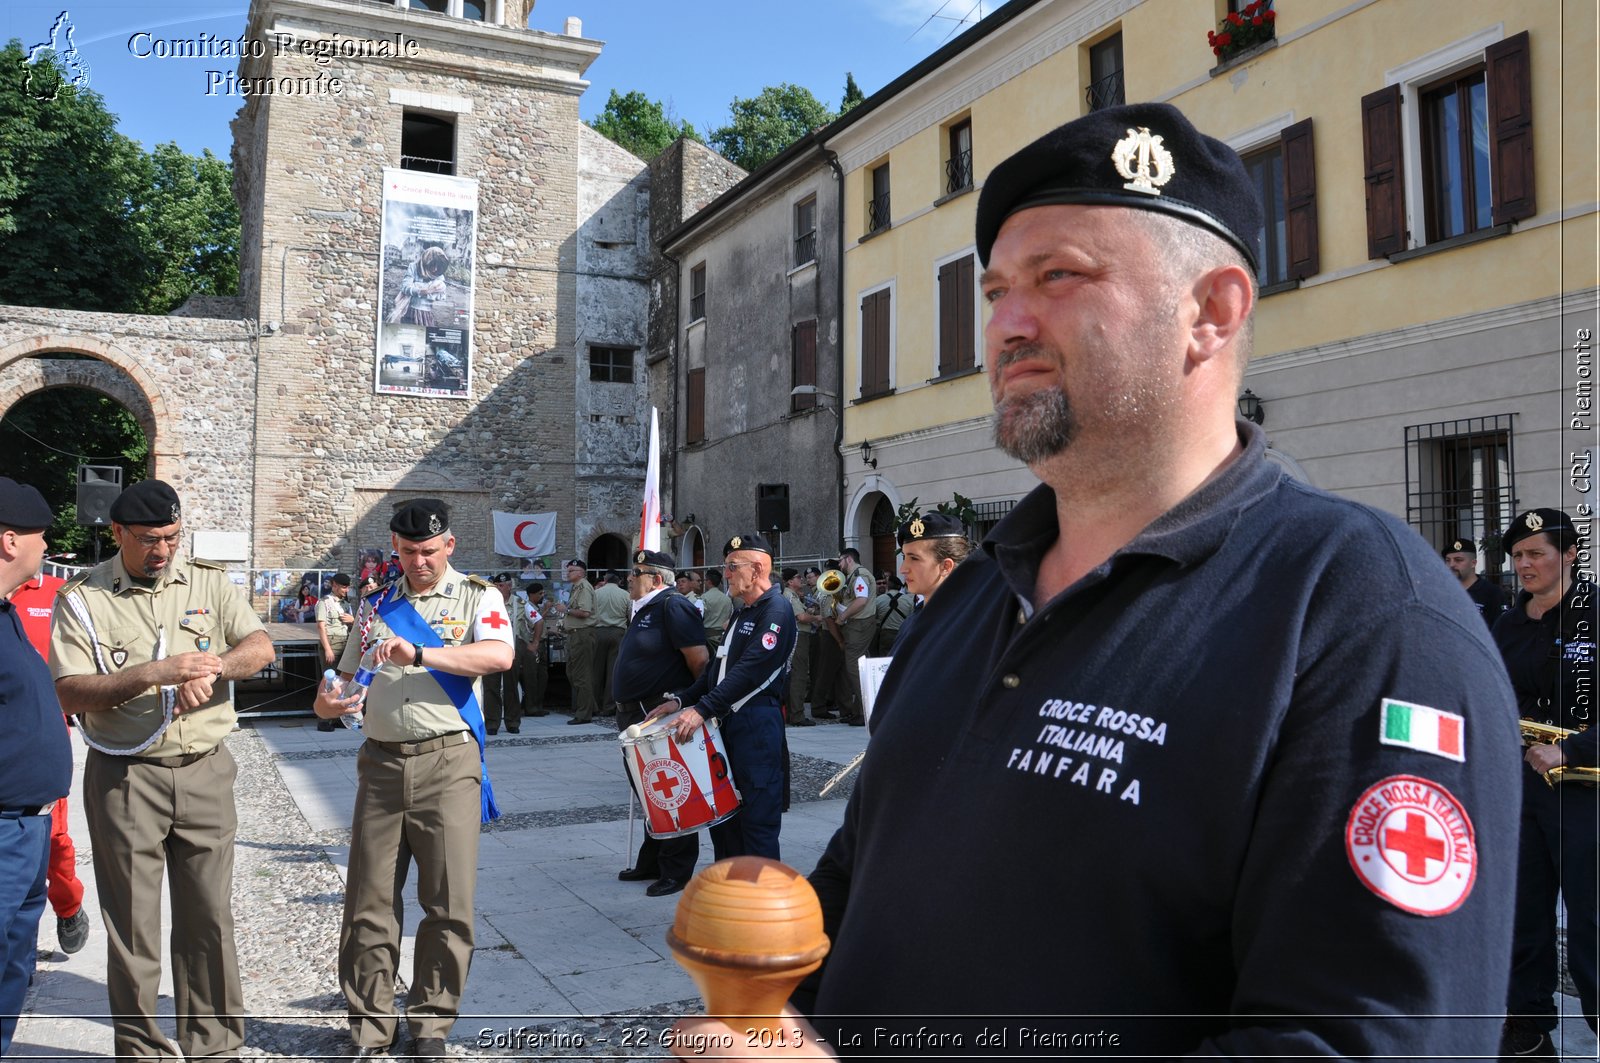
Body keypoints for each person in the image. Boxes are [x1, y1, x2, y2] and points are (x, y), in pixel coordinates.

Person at [671, 102, 1522, 1059]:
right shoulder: (977, 598)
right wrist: (777, 1011)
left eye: (1059, 278)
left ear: (1212, 311)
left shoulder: (1367, 615)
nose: (1006, 325)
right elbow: (869, 862)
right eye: (996, 292)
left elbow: (1358, 1041)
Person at [51, 479, 274, 1061]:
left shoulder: (207, 581)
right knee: (132, 926)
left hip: (203, 770)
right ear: (119, 533)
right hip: (126, 777)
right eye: (150, 539)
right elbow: (70, 691)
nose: (163, 550)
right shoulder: (84, 597)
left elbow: (260, 647)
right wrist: (156, 673)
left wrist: (215, 666)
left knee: (209, 916)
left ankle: (215, 1044)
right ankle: (141, 1048)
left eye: (173, 537)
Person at [313, 498, 514, 1062]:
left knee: (448, 903)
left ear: (449, 545)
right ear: (394, 549)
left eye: (428, 551)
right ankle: (370, 1027)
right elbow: (342, 682)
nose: (419, 562)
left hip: (448, 763)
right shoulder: (377, 603)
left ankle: (431, 1023)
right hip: (379, 763)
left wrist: (421, 651)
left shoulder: (479, 596)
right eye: (407, 553)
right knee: (368, 902)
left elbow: (500, 656)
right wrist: (330, 703)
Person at [1491, 508, 1597, 1057]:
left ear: (1571, 555)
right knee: (1524, 912)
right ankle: (1528, 1025)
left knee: (1591, 920)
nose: (1524, 564)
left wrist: (1571, 748)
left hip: (1586, 792)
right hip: (1521, 788)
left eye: (1536, 553)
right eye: (1517, 556)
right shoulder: (1509, 622)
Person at [649, 534, 796, 861]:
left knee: (758, 821)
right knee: (724, 818)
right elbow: (717, 671)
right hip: (727, 725)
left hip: (756, 726)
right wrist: (682, 701)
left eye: (732, 567)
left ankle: (757, 902)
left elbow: (750, 670)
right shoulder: (743, 611)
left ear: (757, 570)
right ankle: (728, 898)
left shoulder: (776, 610)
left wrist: (702, 709)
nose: (725, 574)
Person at [0, 479, 73, 1057]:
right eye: (40, 537)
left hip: (28, 828)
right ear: (8, 541)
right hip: (2, 829)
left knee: (12, 968)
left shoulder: (7, 613)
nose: (46, 547)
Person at [613, 550, 710, 898]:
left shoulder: (673, 606)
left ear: (656, 579)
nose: (629, 577)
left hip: (658, 711)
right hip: (634, 713)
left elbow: (699, 660)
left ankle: (677, 868)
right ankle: (652, 859)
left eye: (635, 572)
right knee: (648, 792)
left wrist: (692, 703)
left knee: (670, 791)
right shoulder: (644, 608)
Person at [9, 566, 91, 955]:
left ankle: (68, 905)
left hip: (42, 735)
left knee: (52, 836)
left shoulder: (58, 592)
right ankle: (18, 956)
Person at [886, 512, 971, 659]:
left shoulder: (966, 625)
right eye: (905, 557)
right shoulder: (913, 619)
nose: (903, 569)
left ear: (945, 566)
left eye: (914, 558)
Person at [831, 549, 874, 726]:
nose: (839, 565)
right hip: (859, 625)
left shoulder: (859, 575)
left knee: (854, 668)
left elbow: (861, 600)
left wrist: (843, 616)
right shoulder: (856, 576)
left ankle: (866, 712)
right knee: (860, 667)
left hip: (859, 625)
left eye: (840, 561)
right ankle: (861, 711)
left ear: (848, 559)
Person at [314, 572, 356, 731]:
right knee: (328, 682)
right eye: (344, 587)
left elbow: (353, 625)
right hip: (331, 643)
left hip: (345, 642)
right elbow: (321, 627)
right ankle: (323, 719)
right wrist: (327, 649)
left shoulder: (346, 604)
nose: (346, 590)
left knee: (342, 682)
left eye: (348, 587)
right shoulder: (324, 602)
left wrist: (352, 621)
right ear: (335, 585)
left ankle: (339, 717)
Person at [561, 559, 599, 724]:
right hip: (576, 634)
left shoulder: (583, 587)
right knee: (573, 672)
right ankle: (591, 706)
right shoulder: (576, 588)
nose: (568, 573)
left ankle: (584, 713)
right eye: (568, 570)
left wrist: (566, 610)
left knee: (581, 675)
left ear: (581, 572)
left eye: (572, 570)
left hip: (582, 634)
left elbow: (585, 612)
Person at [484, 572, 522, 734]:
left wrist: (534, 642)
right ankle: (492, 723)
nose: (498, 589)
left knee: (511, 687)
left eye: (501, 585)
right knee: (491, 687)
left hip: (510, 650)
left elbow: (537, 619)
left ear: (509, 586)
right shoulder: (486, 603)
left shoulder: (519, 603)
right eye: (496, 585)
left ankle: (512, 722)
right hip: (490, 650)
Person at [1444, 536, 1510, 628]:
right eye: (1448, 560)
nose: (1451, 565)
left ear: (1473, 563)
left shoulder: (1492, 593)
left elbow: (1502, 631)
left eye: (1458, 560)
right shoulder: (1443, 592)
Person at [781, 568, 817, 726]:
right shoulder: (790, 595)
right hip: (798, 637)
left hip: (795, 636)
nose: (801, 579)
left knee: (795, 675)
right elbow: (801, 618)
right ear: (789, 581)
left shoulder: (792, 595)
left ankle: (792, 713)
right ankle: (797, 715)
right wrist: (817, 617)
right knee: (799, 676)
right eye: (797, 577)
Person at [593, 570, 631, 714]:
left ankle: (594, 705)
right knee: (613, 672)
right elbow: (630, 615)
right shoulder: (625, 595)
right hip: (618, 633)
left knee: (595, 670)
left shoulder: (596, 594)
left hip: (598, 632)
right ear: (619, 581)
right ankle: (609, 706)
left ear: (605, 579)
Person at [519, 582, 549, 717]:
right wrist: (547, 610)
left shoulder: (535, 607)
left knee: (542, 677)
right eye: (540, 593)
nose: (542, 596)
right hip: (533, 645)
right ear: (532, 594)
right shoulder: (527, 607)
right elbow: (535, 624)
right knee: (531, 677)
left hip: (541, 643)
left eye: (543, 593)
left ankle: (538, 705)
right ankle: (531, 707)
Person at [700, 567, 734, 650]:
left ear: (709, 581)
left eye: (705, 580)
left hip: (708, 637)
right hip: (722, 636)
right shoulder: (727, 599)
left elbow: (699, 616)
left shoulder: (704, 597)